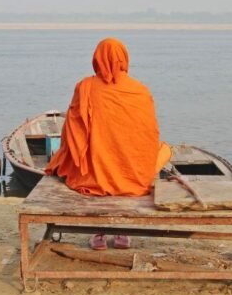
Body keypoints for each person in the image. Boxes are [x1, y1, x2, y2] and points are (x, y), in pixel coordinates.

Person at [46, 38, 171, 250]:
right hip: (133, 175)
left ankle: (99, 235)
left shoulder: (85, 87)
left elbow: (73, 131)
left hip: (95, 176)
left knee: (91, 156)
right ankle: (122, 235)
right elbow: (149, 133)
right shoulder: (140, 90)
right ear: (124, 59)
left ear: (96, 59)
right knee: (163, 150)